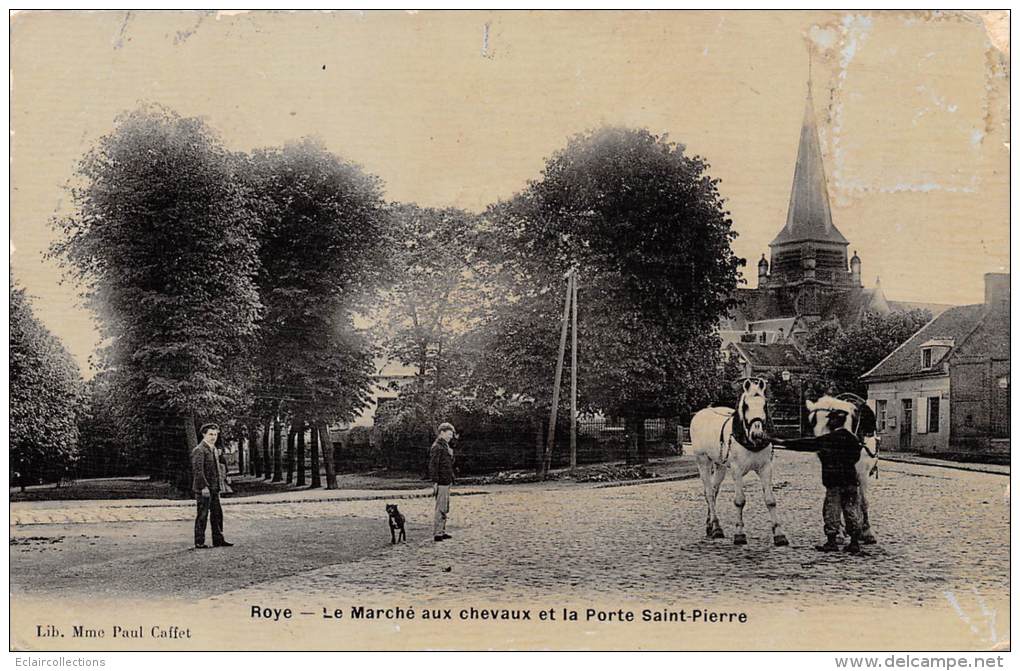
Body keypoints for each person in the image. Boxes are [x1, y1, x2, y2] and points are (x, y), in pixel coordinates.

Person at [772, 409, 868, 555]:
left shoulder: (829, 439)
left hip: (834, 482)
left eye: (831, 420)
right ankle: (854, 543)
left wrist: (782, 442)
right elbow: (856, 458)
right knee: (851, 510)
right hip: (850, 481)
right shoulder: (853, 439)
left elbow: (807, 444)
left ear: (835, 421)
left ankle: (831, 542)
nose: (829, 422)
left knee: (831, 511)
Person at [192, 423, 233, 549]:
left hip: (215, 488)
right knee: (202, 515)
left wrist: (224, 478)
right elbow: (198, 471)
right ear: (204, 434)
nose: (213, 437)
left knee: (217, 514)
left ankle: (218, 539)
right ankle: (199, 542)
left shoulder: (214, 449)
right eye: (210, 434)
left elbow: (217, 468)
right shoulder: (199, 450)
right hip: (204, 488)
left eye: (215, 434)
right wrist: (203, 487)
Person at [428, 422, 457, 542]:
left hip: (446, 480)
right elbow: (433, 466)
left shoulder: (444, 446)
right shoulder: (437, 447)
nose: (451, 436)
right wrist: (435, 482)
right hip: (441, 482)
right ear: (442, 433)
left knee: (445, 507)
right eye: (449, 434)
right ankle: (438, 533)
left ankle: (442, 530)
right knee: (440, 507)